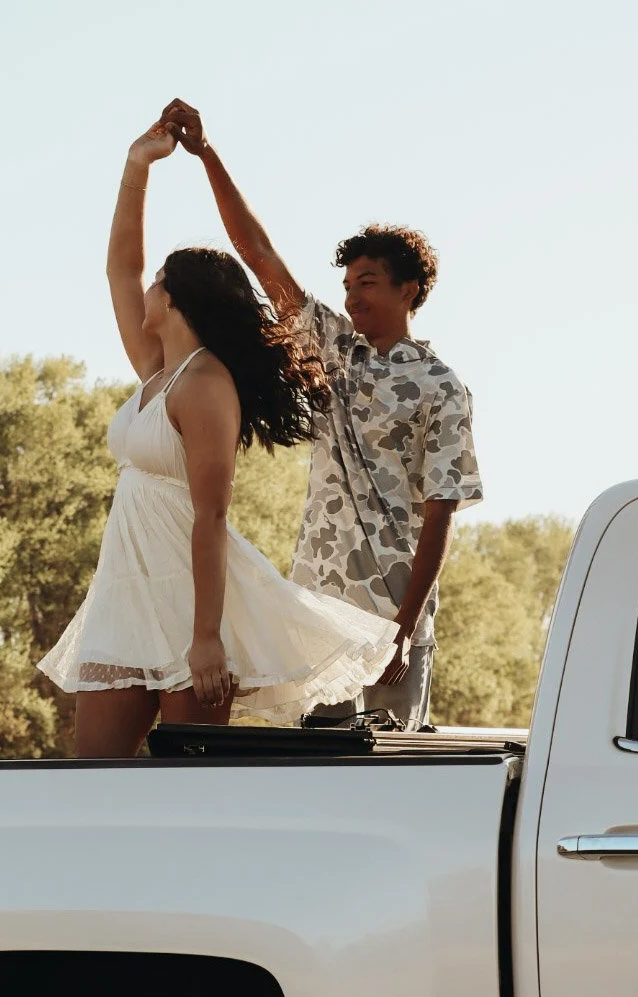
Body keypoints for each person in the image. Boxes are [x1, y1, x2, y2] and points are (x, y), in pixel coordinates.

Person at [38, 123, 397, 759]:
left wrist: (207, 638)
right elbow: (119, 267)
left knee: (180, 797)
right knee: (91, 779)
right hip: (126, 597)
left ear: (176, 299)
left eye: (157, 283)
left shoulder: (205, 383)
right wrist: (137, 163)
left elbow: (212, 514)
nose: (144, 288)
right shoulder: (158, 369)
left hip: (190, 612)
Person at [160, 99, 484, 730]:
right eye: (347, 284)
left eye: (366, 282)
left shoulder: (443, 387)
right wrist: (207, 155)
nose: (350, 294)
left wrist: (406, 625)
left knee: (391, 772)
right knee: (315, 766)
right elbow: (257, 253)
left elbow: (442, 508)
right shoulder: (334, 349)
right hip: (318, 612)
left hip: (394, 616)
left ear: (407, 290)